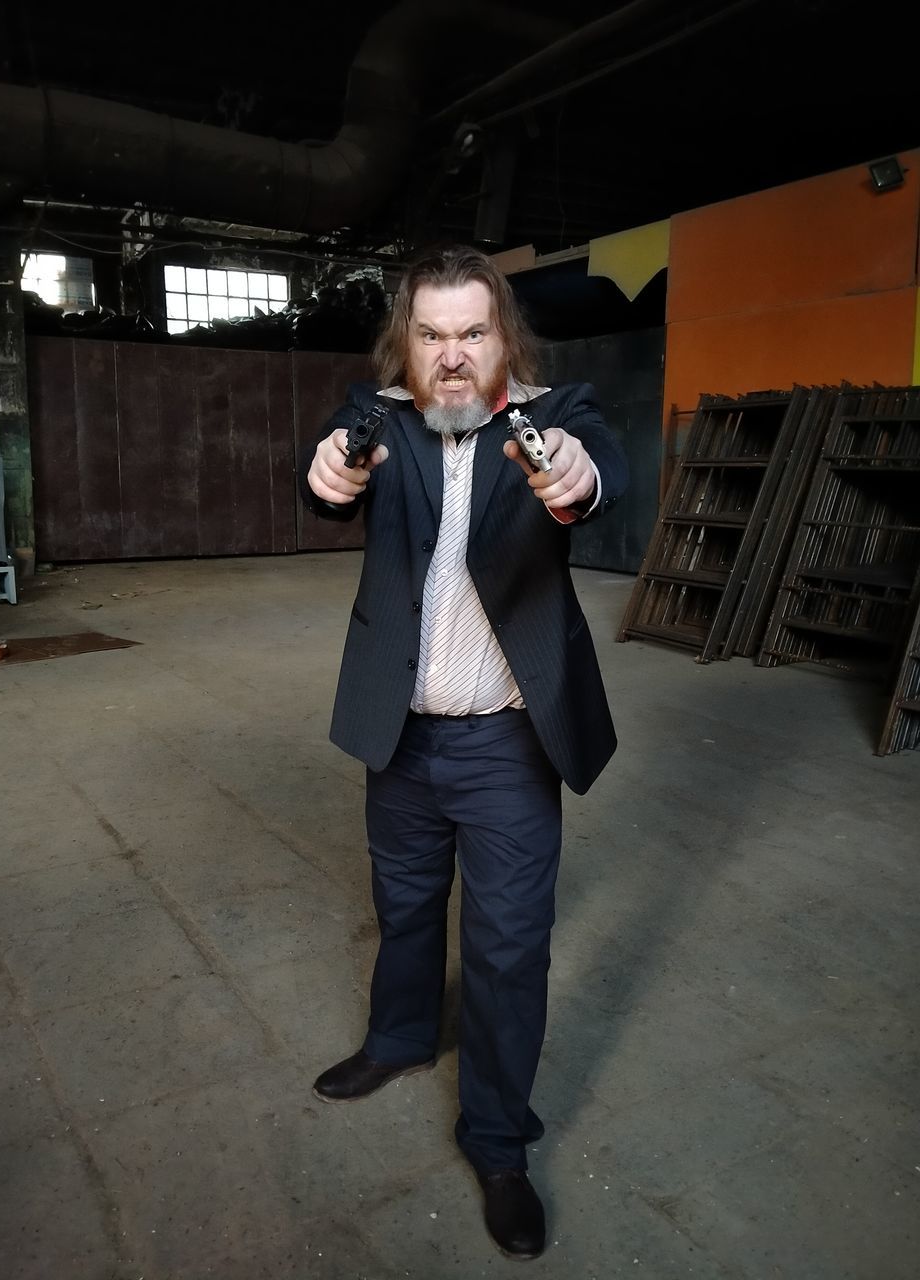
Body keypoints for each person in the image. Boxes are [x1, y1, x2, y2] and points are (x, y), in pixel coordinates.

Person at [301, 243, 628, 1260]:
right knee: (401, 906)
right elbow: (331, 483)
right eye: (431, 335)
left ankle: (496, 1139)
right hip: (398, 736)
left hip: (506, 743)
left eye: (471, 333)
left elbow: (592, 482)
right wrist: (329, 473)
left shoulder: (556, 417)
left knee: (505, 946)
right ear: (408, 342)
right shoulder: (379, 422)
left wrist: (573, 477)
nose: (451, 357)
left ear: (504, 338)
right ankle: (400, 1035)